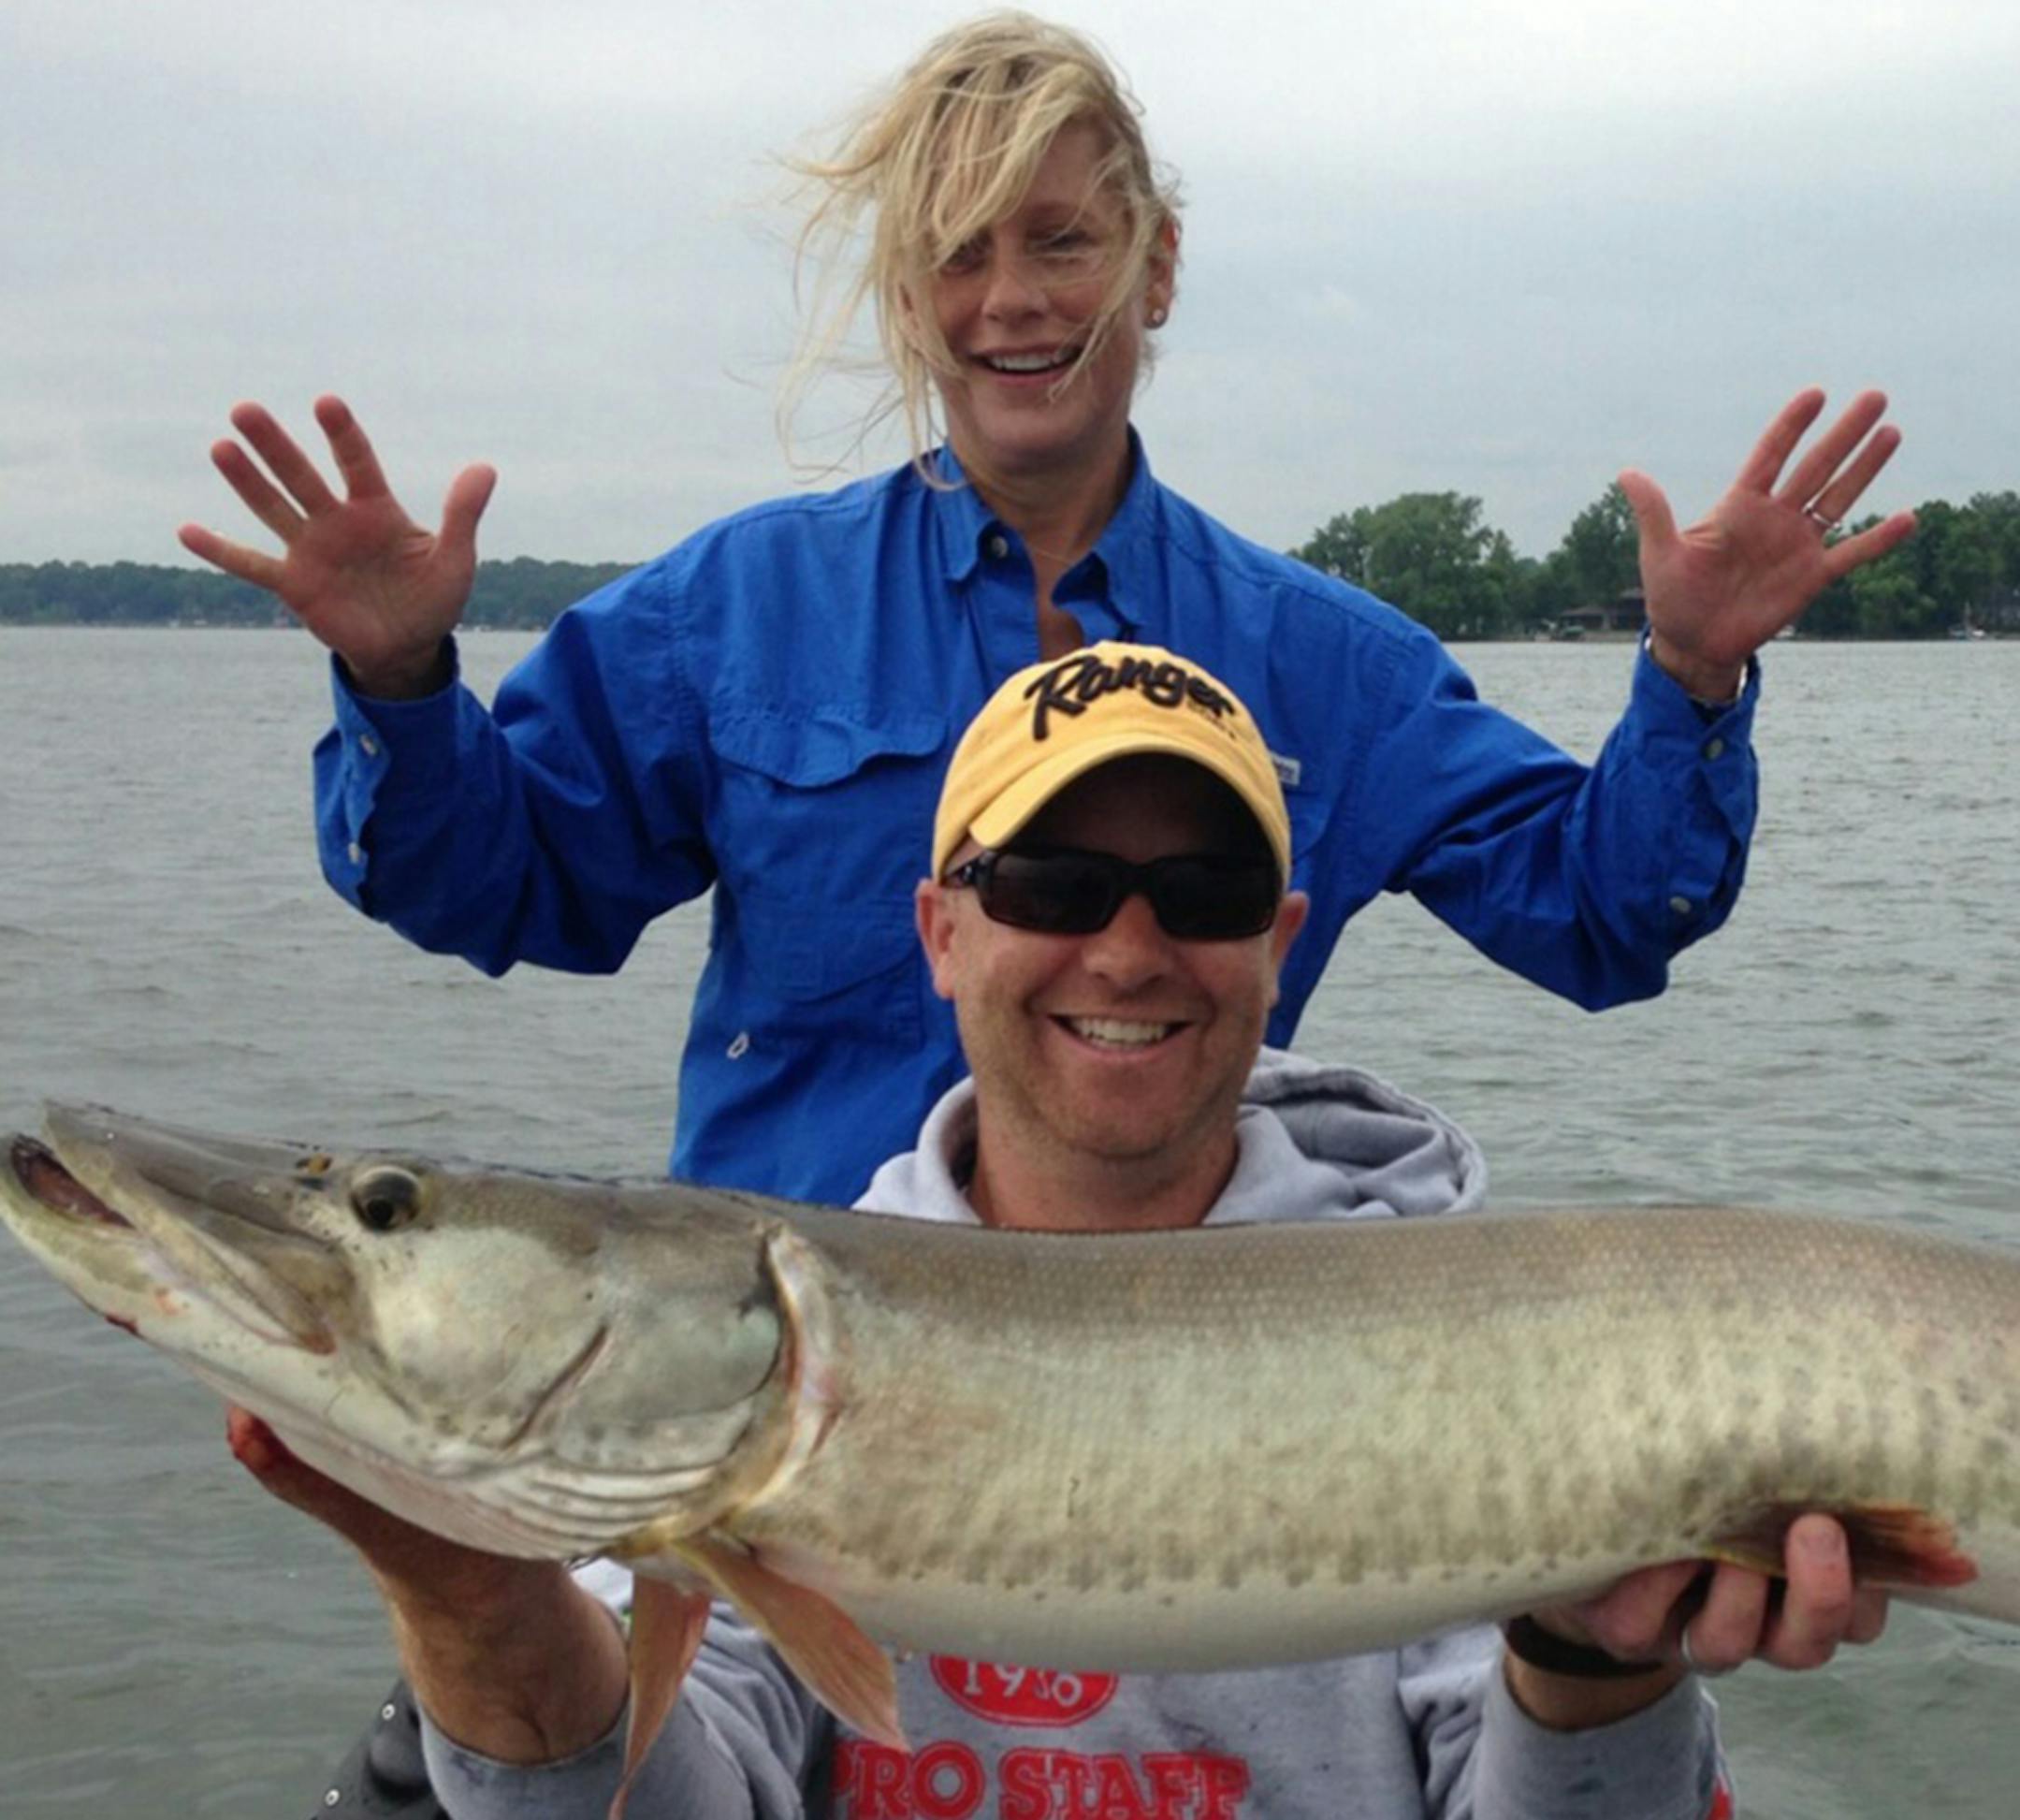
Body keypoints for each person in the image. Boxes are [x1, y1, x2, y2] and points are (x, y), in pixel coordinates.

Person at [181, 13, 1915, 1216]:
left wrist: (1693, 674)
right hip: (796, 1390)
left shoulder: (1331, 662)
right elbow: (495, 886)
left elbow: (1602, 916)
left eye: (1064, 242)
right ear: (905, 295)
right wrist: (398, 676)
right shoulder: (727, 615)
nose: (1010, 299)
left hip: (1167, 1395)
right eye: (955, 252)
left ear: (1157, 267)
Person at [240, 644, 1892, 1819]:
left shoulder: (1451, 1318)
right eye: (1046, 880)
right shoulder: (752, 1384)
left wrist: (1588, 1666)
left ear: (1280, 939)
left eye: (1203, 889)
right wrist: (474, 1602)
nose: (1127, 944)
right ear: (940, 928)